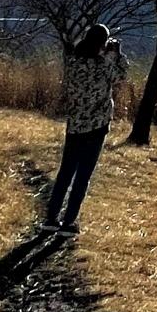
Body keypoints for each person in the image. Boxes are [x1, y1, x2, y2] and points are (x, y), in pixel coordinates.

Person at [44, 23, 125, 236]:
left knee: (65, 173)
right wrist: (116, 55)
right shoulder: (104, 65)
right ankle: (69, 222)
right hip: (96, 127)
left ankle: (51, 218)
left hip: (75, 125)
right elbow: (121, 77)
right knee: (82, 176)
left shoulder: (72, 62)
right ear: (102, 43)